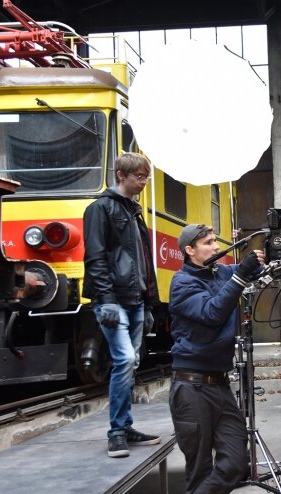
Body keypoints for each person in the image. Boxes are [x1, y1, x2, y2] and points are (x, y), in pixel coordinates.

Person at [168, 223, 265, 494]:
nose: (215, 247)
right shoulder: (182, 283)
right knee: (199, 470)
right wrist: (241, 275)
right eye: (208, 243)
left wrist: (264, 256)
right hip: (191, 388)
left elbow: (246, 274)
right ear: (190, 250)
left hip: (219, 384)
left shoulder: (219, 273)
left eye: (214, 241)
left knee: (236, 462)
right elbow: (212, 313)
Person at [83, 152, 162, 458]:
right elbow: (96, 258)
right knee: (125, 360)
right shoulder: (101, 209)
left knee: (130, 365)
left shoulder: (133, 212)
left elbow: (144, 262)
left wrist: (150, 304)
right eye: (139, 177)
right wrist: (105, 301)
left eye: (146, 176)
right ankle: (116, 432)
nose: (144, 182)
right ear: (120, 175)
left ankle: (125, 426)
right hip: (115, 301)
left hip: (136, 300)